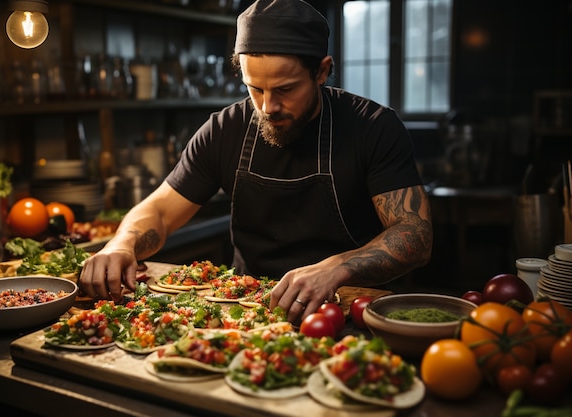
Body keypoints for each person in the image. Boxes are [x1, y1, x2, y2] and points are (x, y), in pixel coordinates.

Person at [79, 0, 433, 324]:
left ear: (322, 71)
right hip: (247, 313)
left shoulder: (372, 128)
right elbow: (158, 210)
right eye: (255, 89)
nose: (268, 107)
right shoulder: (223, 130)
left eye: (285, 89)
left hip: (346, 311)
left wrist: (336, 268)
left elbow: (415, 234)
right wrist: (121, 244)